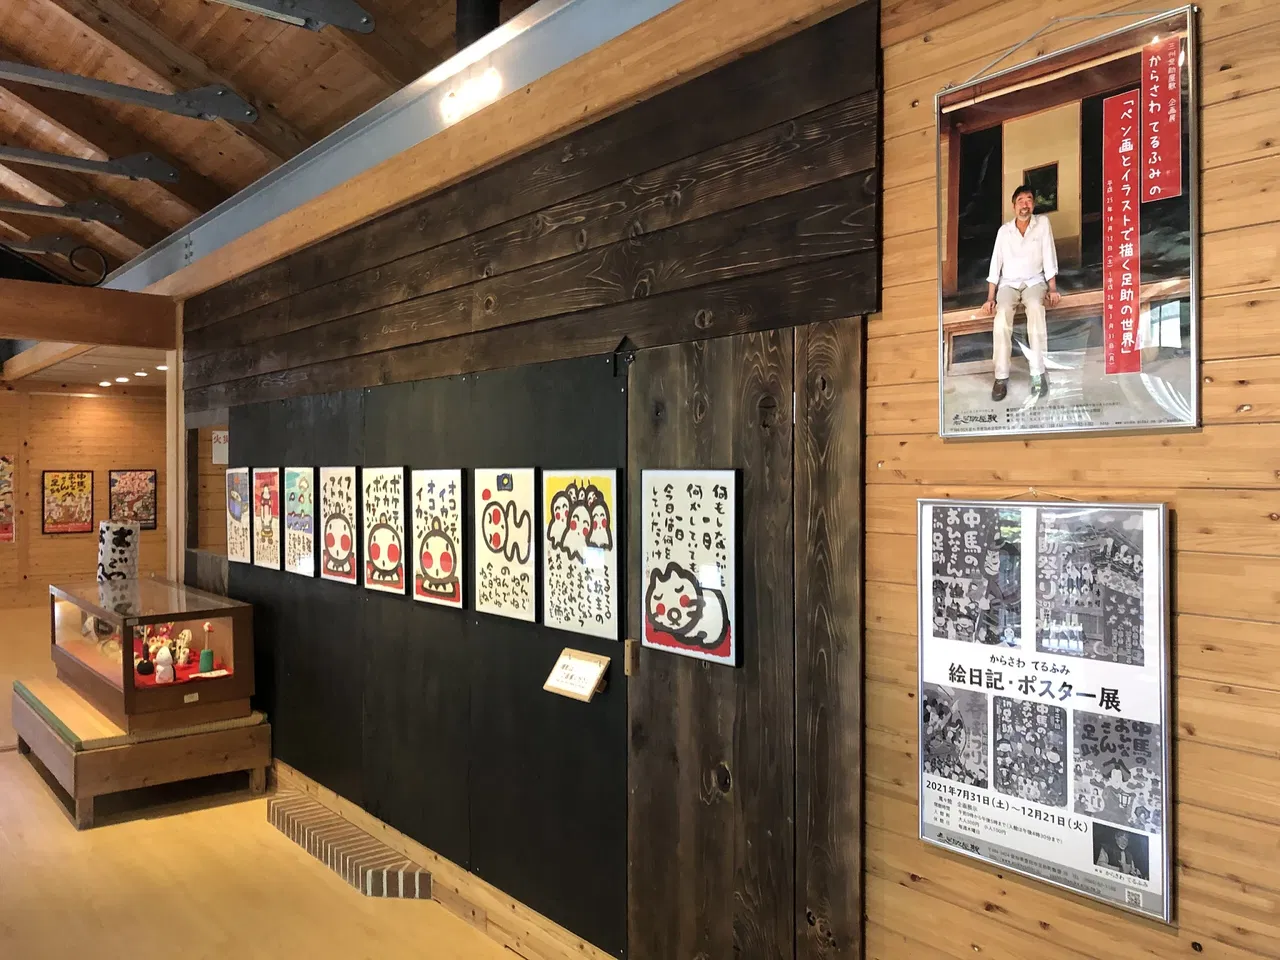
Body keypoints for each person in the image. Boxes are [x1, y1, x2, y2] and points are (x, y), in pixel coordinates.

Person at [981, 184, 1063, 401]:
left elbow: (1049, 255)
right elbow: (995, 264)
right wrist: (990, 297)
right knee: (1001, 316)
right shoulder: (1004, 231)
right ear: (1013, 206)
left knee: (1036, 308)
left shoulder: (1042, 223)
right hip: (1008, 284)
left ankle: (1038, 373)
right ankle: (1001, 377)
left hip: (1034, 281)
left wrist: (1052, 289)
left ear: (1033, 204)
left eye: (1029, 200)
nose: (1025, 204)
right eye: (1020, 200)